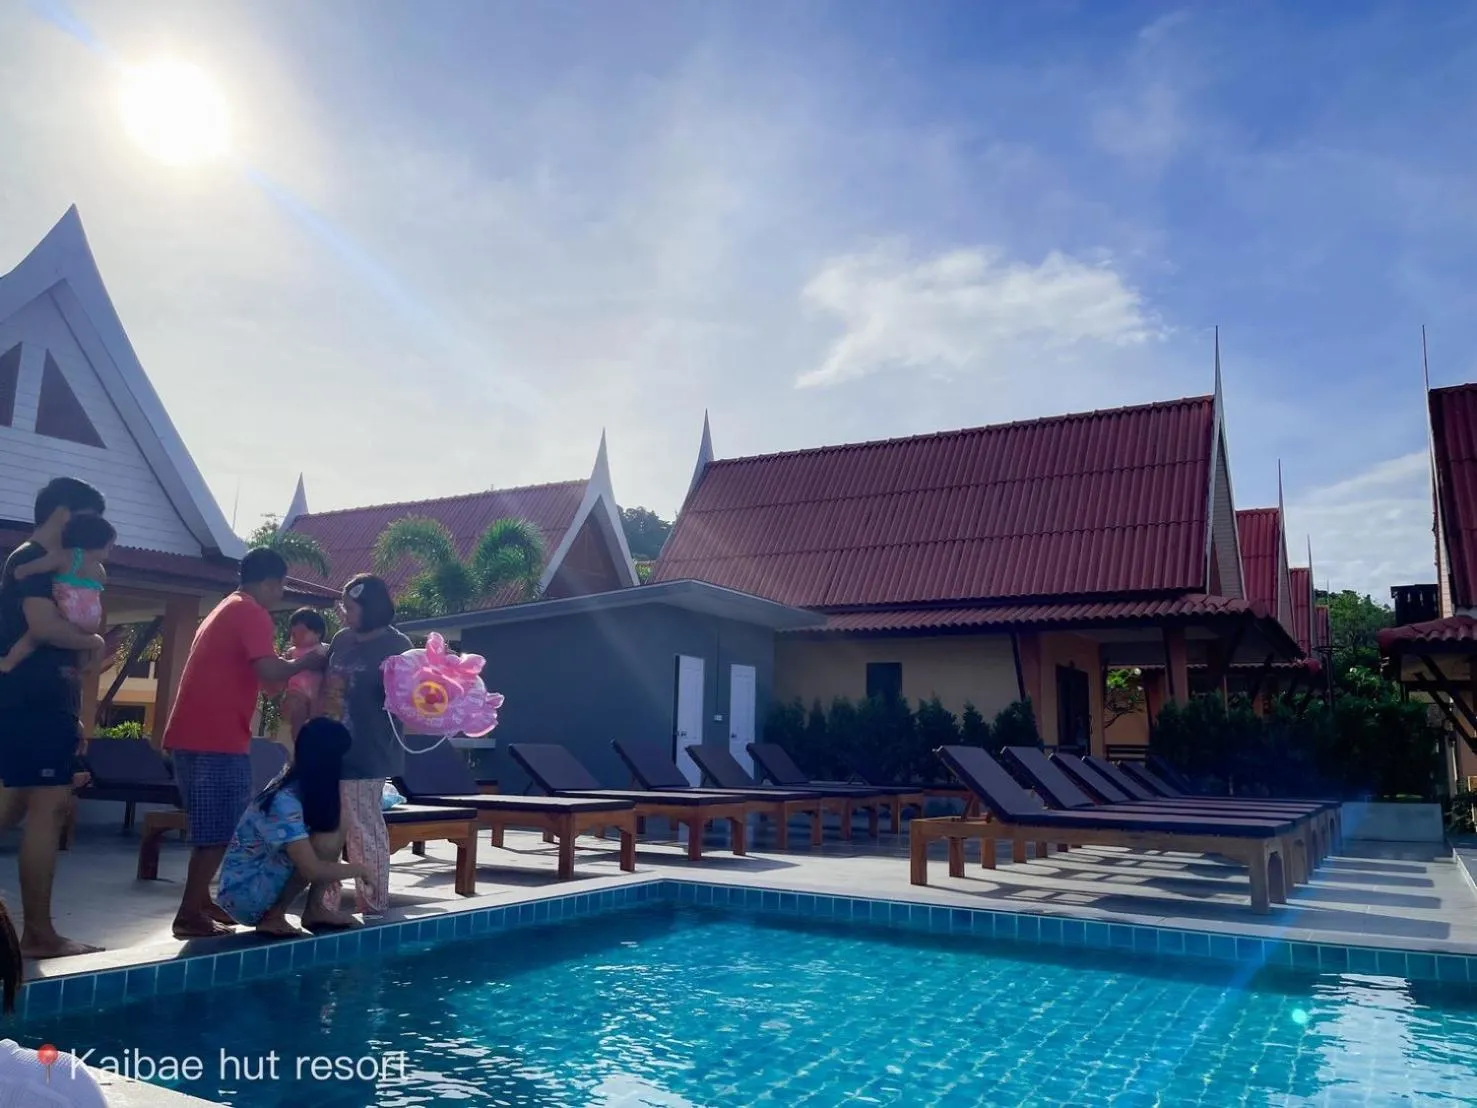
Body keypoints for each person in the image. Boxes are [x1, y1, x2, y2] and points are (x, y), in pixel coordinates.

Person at [159, 548, 327, 940]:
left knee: (216, 825)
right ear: (271, 582)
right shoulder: (251, 612)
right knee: (218, 830)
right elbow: (270, 671)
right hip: (214, 737)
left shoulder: (226, 608)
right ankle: (188, 914)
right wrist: (307, 662)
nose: (279, 595)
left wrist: (289, 665)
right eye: (281, 586)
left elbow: (268, 683)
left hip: (195, 734)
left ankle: (200, 902)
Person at [0, 477, 108, 959]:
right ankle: (39, 934)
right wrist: (92, 641)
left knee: (19, 805)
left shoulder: (60, 563)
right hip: (30, 703)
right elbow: (43, 627)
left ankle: (39, 932)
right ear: (65, 514)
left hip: (47, 704)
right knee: (47, 809)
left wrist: (74, 713)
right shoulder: (29, 559)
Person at [217, 717, 371, 937]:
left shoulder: (302, 787)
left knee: (335, 822)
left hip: (256, 885)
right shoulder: (285, 801)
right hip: (243, 896)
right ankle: (273, 916)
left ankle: (315, 909)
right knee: (311, 849)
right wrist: (360, 870)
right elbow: (312, 869)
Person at [315, 574, 412, 919]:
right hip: (326, 751)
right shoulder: (341, 640)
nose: (344, 613)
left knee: (361, 831)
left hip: (368, 754)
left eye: (351, 607)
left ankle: (372, 905)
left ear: (370, 608)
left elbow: (413, 702)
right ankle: (323, 905)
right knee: (324, 830)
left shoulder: (398, 647)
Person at [0, 514, 115, 675]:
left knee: (34, 635)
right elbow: (93, 591)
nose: (109, 552)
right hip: (91, 617)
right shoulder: (99, 570)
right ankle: (81, 669)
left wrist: (23, 570)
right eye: (109, 547)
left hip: (69, 609)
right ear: (100, 543)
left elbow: (43, 565)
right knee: (84, 640)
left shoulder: (69, 556)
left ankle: (8, 662)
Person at [281, 608, 328, 742]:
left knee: (316, 722)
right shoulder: (292, 652)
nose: (295, 636)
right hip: (296, 693)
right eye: (293, 632)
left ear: (318, 633)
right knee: (297, 722)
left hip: (316, 692)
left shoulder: (323, 650)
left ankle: (313, 746)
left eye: (301, 632)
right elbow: (284, 668)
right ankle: (298, 746)